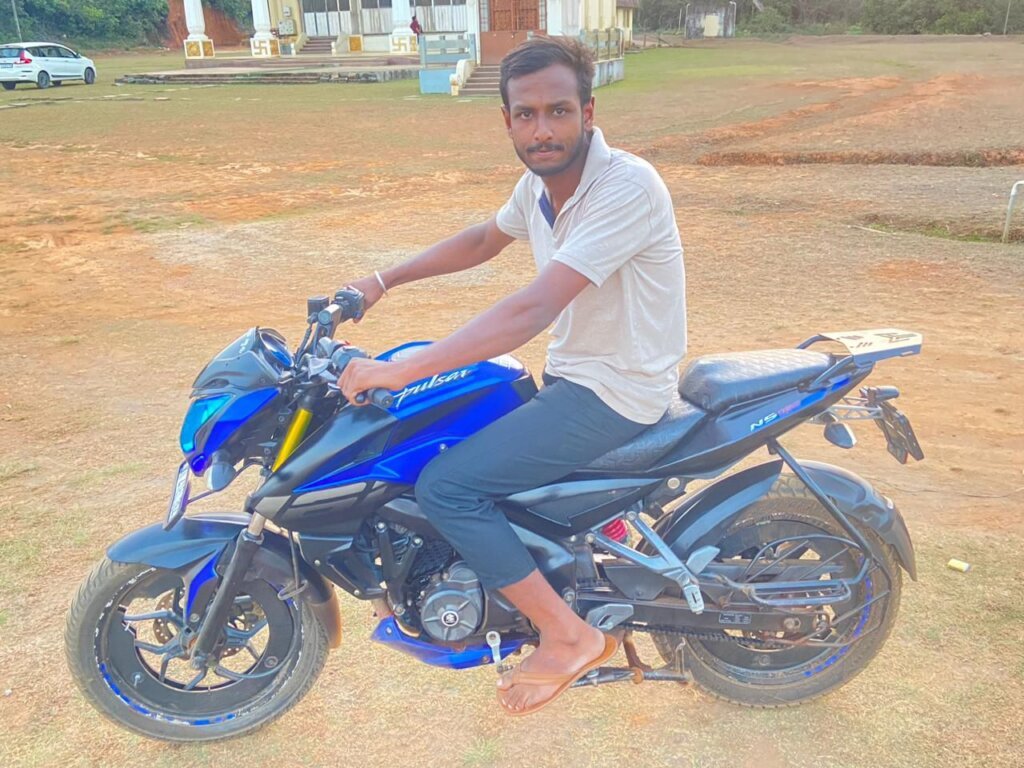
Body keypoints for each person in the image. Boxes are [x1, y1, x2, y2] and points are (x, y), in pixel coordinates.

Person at [338, 36, 686, 715]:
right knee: (444, 435)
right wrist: (381, 280)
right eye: (526, 114)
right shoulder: (540, 187)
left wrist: (403, 368)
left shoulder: (626, 186)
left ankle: (569, 636)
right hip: (575, 375)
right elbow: (483, 239)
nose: (542, 129)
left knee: (449, 486)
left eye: (558, 111)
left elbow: (532, 308)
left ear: (588, 112)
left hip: (617, 392)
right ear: (507, 121)